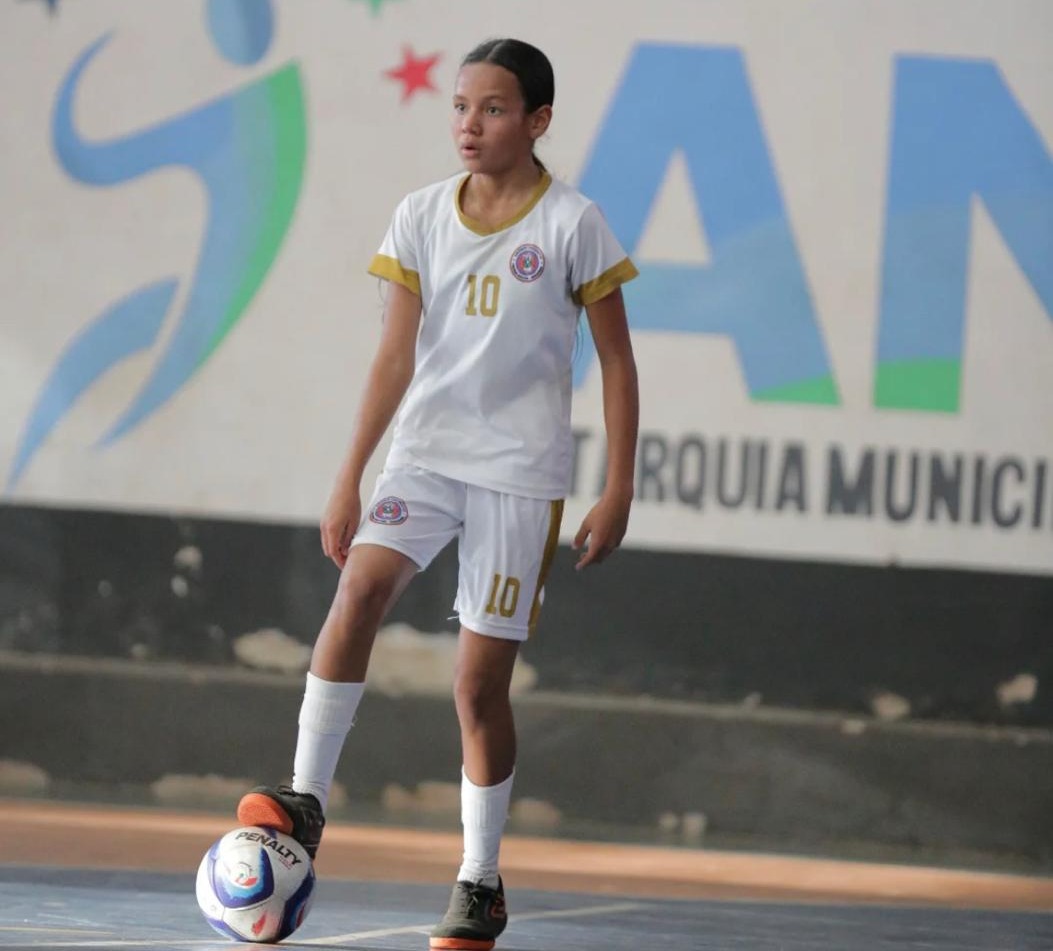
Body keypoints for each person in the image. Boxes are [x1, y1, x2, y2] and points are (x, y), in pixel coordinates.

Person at [236, 37, 639, 951]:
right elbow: (392, 357)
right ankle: (303, 802)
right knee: (358, 593)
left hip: (518, 474)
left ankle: (478, 879)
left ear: (536, 122)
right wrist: (351, 475)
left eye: (493, 109)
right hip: (423, 456)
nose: (469, 123)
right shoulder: (419, 215)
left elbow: (616, 360)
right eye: (460, 106)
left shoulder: (572, 225)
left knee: (475, 685)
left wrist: (616, 486)